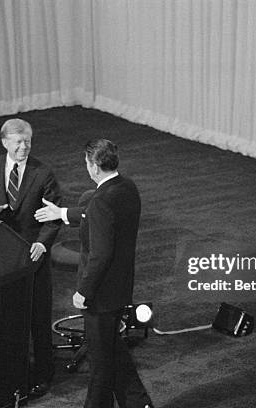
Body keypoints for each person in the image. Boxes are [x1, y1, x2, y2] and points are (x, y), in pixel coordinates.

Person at [34, 139, 154, 408]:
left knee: (100, 365)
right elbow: (96, 213)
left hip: (99, 295)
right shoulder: (126, 187)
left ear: (95, 167)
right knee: (113, 351)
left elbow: (100, 254)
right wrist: (63, 213)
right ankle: (139, 403)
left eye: (87, 163)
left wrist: (83, 292)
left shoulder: (100, 201)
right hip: (120, 287)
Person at [0, 118, 61, 398]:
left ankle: (44, 375)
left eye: (28, 141)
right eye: (18, 142)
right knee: (9, 318)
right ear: (5, 142)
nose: (24, 147)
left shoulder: (43, 172)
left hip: (33, 257)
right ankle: (14, 374)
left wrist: (42, 244)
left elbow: (54, 216)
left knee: (38, 318)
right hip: (1, 255)